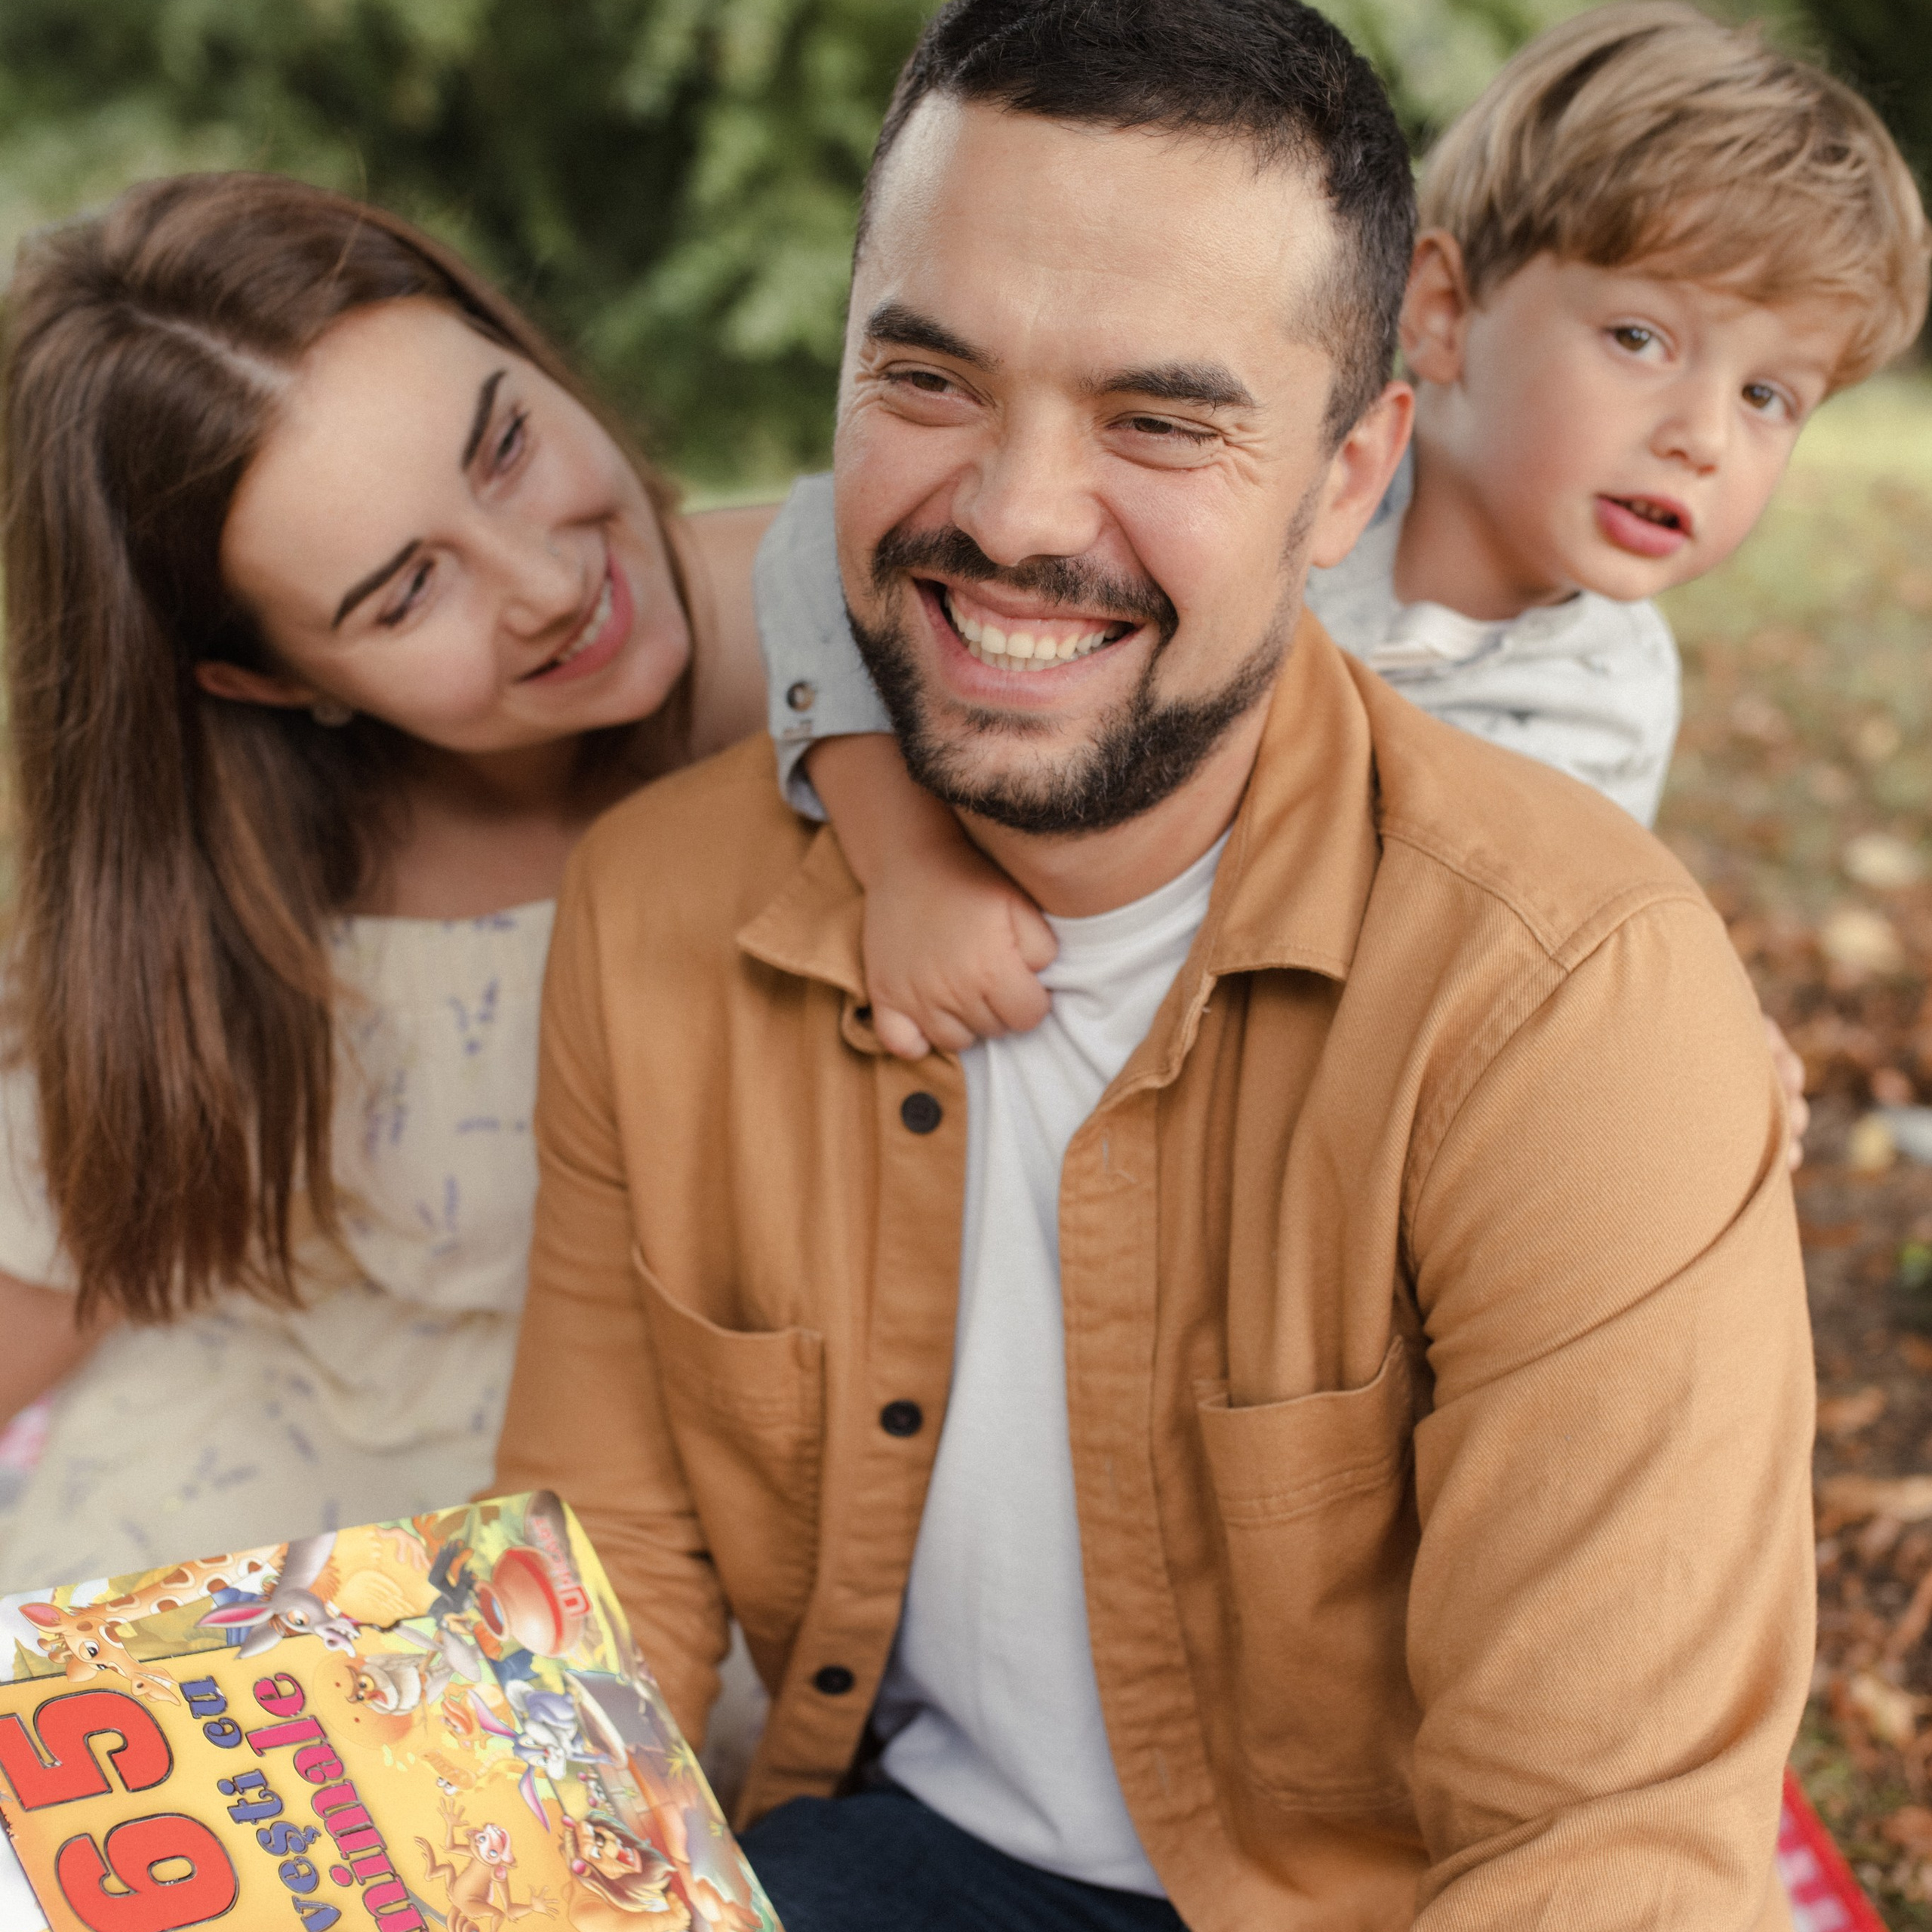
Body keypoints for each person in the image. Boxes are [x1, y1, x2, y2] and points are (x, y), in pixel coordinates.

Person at [494, 0, 1820, 1925]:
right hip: (901, 1857)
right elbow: (589, 1591)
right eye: (931, 382)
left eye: (1160, 420)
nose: (1017, 518)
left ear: (1349, 473)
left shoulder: (1575, 993)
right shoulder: (653, 913)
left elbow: (1599, 1847)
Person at [751, 0, 1928, 1084]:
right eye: (1639, 338)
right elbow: (820, 544)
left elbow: (1513, 949)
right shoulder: (1260, 493)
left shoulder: (1608, 696)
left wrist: (1690, 1041)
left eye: (1769, 397)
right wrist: (905, 860)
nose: (1702, 439)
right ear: (1443, 314)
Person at [0, 172, 774, 1587]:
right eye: (406, 591)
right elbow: (54, 1270)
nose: (542, 580)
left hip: (660, 1574)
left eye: (506, 445)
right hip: (248, 1546)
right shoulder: (237, 900)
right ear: (267, 681)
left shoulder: (867, 626)